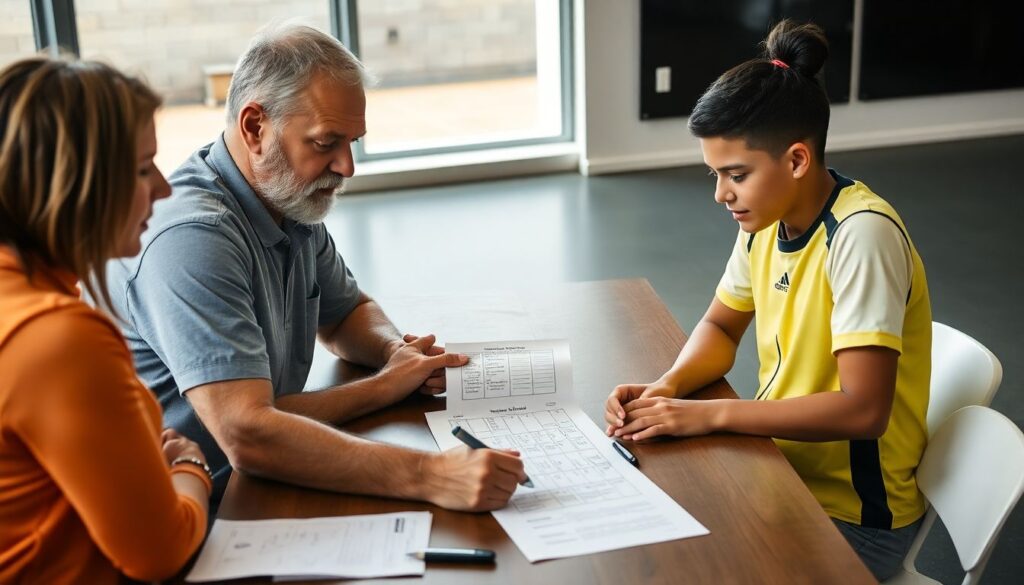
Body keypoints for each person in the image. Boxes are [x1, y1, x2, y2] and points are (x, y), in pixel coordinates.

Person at [104, 22, 526, 512]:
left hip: (266, 477)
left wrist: (395, 352)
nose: (347, 166)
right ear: (255, 127)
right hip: (194, 510)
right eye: (326, 143)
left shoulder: (285, 197)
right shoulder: (193, 238)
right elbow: (246, 431)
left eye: (353, 142)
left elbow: (347, 313)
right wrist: (426, 466)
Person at [603, 20, 930, 580]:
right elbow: (721, 327)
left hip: (853, 518)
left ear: (797, 160)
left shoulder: (861, 236)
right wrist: (669, 386)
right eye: (714, 174)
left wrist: (711, 414)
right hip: (778, 467)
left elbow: (865, 410)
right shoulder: (765, 223)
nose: (720, 194)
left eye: (736, 174)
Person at [0, 57, 211, 583]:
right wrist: (190, 465)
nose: (163, 189)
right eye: (142, 169)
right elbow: (160, 551)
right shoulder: (58, 337)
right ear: (75, 183)